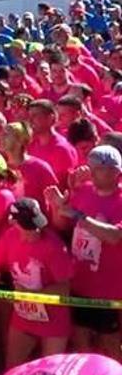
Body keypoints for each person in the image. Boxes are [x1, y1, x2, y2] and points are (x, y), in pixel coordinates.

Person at [45, 145, 122, 361]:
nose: (95, 171)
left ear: (116, 172)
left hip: (110, 288)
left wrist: (78, 215)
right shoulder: (84, 191)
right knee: (80, 338)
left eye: (101, 168)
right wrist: (57, 206)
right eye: (93, 166)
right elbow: (61, 223)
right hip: (80, 281)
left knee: (110, 342)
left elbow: (115, 236)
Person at [0, 198, 73, 368]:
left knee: (51, 374)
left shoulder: (54, 246)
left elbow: (64, 289)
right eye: (27, 227)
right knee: (12, 367)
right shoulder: (9, 237)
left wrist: (31, 295)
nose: (34, 231)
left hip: (53, 319)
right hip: (23, 316)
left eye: (36, 225)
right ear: (14, 223)